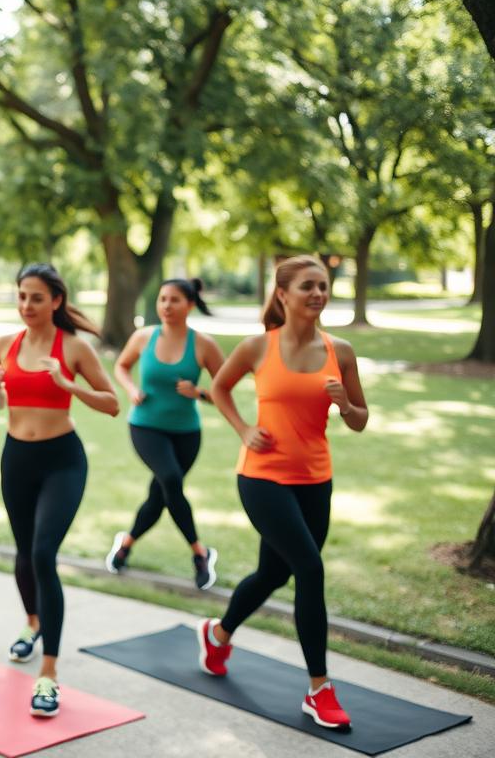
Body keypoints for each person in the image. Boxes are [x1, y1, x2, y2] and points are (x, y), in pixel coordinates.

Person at [197, 255, 368, 730]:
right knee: (309, 569)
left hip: (316, 480)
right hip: (262, 478)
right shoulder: (258, 347)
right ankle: (319, 689)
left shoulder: (342, 351)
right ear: (283, 294)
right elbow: (220, 387)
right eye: (308, 286)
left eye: (324, 286)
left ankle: (218, 633)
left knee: (273, 573)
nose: (318, 294)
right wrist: (243, 429)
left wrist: (345, 404)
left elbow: (360, 420)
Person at [0, 263, 119, 718]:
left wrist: (67, 384)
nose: (26, 305)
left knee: (42, 554)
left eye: (36, 297)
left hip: (63, 460)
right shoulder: (5, 345)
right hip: (17, 458)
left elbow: (113, 403)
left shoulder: (73, 347)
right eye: (21, 296)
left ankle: (50, 674)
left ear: (56, 300)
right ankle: (33, 623)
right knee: (23, 553)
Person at [108, 278, 226, 589]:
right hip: (145, 426)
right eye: (162, 299)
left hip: (187, 433)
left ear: (189, 304)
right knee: (171, 481)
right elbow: (121, 366)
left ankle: (126, 544)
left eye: (174, 300)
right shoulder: (144, 337)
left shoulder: (203, 344)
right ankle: (200, 553)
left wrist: (199, 392)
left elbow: (225, 390)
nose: (166, 306)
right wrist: (132, 389)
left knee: (161, 493)